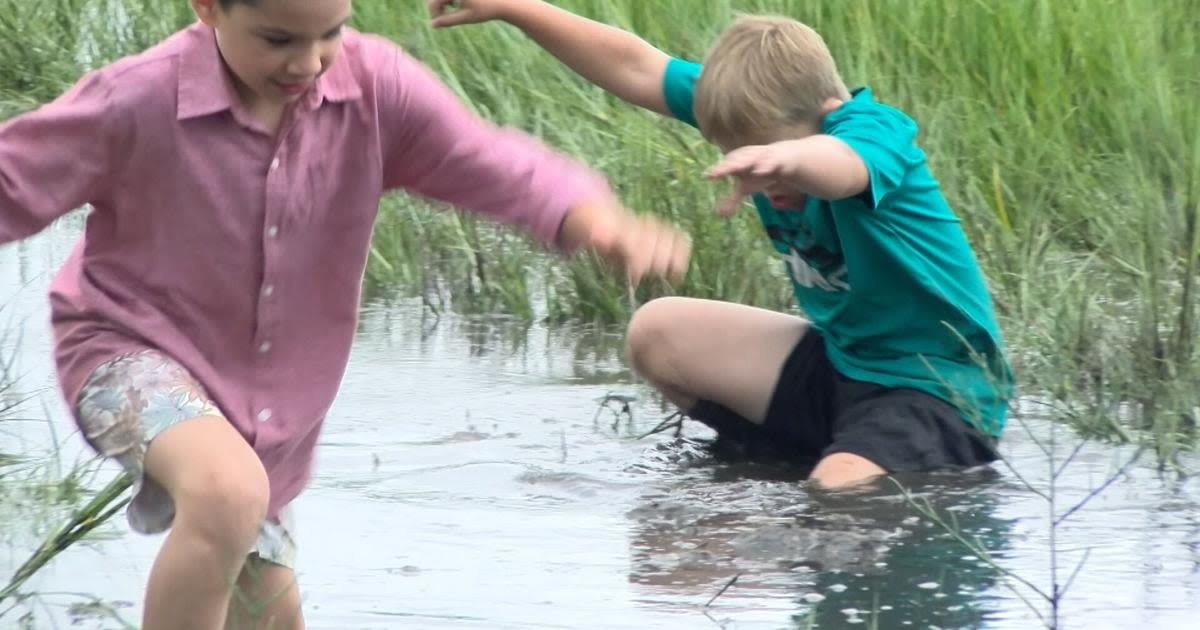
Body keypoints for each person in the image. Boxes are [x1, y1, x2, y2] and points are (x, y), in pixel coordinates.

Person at [0, 0, 690, 627]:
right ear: (208, 7)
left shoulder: (375, 91)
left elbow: (487, 161)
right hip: (126, 350)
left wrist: (593, 220)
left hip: (264, 411)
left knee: (269, 611)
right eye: (278, 39)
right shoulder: (139, 99)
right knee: (226, 494)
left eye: (331, 32)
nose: (307, 62)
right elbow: (15, 178)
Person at [429, 0, 1012, 488]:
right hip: (841, 366)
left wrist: (788, 160)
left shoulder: (870, 130)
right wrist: (514, 7)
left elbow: (846, 167)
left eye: (770, 168)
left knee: (835, 497)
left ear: (827, 115)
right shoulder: (752, 112)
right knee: (657, 333)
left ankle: (858, 469)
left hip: (934, 387)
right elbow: (635, 65)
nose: (765, 186)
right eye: (742, 159)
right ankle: (781, 462)